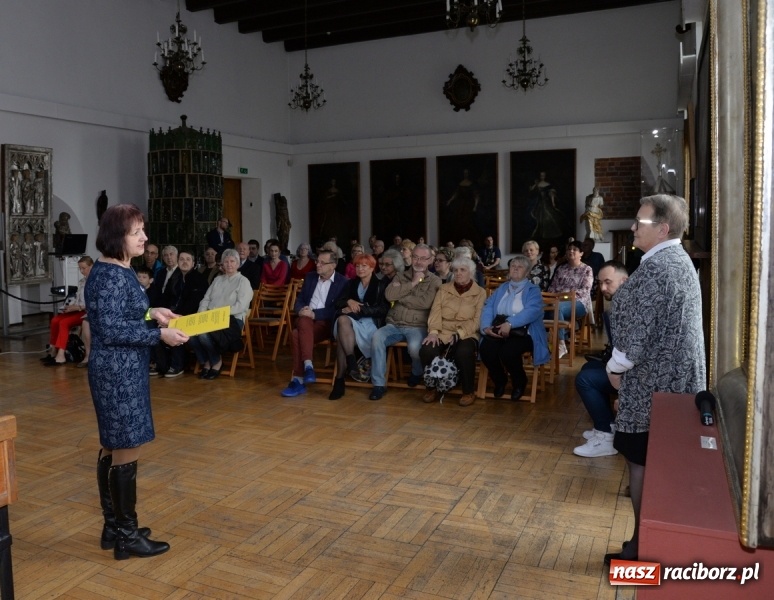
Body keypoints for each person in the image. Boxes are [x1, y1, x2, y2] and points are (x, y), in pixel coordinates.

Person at [603, 194, 705, 565]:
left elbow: (633, 341)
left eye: (639, 223)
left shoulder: (658, 270)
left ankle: (643, 548)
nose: (632, 227)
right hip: (672, 384)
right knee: (654, 465)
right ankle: (646, 544)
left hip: (654, 389)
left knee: (642, 463)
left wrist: (613, 368)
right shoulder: (678, 261)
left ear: (662, 229)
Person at [85, 204, 188, 560]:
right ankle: (126, 536)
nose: (144, 237)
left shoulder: (118, 268)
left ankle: (114, 527)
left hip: (123, 368)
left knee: (113, 446)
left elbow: (122, 314)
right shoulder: (111, 274)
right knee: (126, 445)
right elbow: (109, 329)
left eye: (143, 230)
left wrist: (152, 313)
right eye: (136, 232)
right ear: (117, 237)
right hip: (117, 372)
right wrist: (160, 335)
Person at [369, 244, 441, 401]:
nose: (419, 261)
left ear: (430, 260)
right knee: (376, 338)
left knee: (415, 349)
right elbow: (389, 295)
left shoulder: (435, 281)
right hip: (394, 324)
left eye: (423, 258)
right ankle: (379, 385)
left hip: (417, 326)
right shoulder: (401, 276)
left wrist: (401, 295)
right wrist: (413, 283)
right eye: (416, 257)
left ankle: (416, 372)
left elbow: (425, 303)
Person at [572, 261, 628, 458]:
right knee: (588, 367)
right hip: (623, 367)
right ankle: (607, 425)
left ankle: (606, 437)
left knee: (585, 379)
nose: (602, 288)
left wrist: (622, 387)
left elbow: (631, 352)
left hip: (635, 375)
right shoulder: (619, 304)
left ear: (624, 281)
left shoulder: (629, 307)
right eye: (600, 283)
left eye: (608, 282)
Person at [479, 255, 550, 400]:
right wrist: (486, 327)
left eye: (520, 267)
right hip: (499, 327)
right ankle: (500, 380)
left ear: (527, 272)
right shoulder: (502, 288)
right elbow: (488, 306)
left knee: (508, 352)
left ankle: (520, 382)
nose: (516, 269)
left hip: (524, 332)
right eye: (513, 266)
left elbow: (532, 311)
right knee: (486, 350)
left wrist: (510, 323)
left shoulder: (533, 290)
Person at [280, 250, 348, 397]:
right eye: (317, 261)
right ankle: (308, 367)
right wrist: (301, 310)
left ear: (333, 265)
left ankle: (298, 379)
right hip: (306, 319)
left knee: (295, 334)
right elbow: (300, 301)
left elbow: (337, 310)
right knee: (303, 321)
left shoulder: (343, 282)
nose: (317, 264)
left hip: (326, 324)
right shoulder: (310, 277)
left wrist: (315, 314)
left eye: (322, 262)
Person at [419, 256, 485, 406]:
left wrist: (459, 334)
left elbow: (477, 320)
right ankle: (431, 387)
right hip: (443, 331)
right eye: (455, 270)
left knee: (464, 352)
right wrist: (434, 332)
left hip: (467, 333)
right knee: (427, 350)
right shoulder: (444, 289)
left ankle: (468, 391)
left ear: (471, 272)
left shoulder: (480, 292)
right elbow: (435, 312)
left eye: (463, 270)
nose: (458, 273)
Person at [329, 253, 389, 400]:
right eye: (357, 266)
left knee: (343, 341)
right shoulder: (351, 283)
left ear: (372, 268)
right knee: (342, 320)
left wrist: (360, 308)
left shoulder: (381, 284)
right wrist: (348, 301)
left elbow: (383, 310)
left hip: (370, 323)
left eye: (364, 266)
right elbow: (337, 302)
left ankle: (340, 380)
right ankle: (351, 360)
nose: (360, 269)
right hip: (351, 322)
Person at [188, 248, 253, 380]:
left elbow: (241, 306)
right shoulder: (217, 280)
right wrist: (201, 314)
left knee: (203, 335)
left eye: (232, 261)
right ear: (222, 264)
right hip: (210, 318)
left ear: (238, 264)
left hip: (231, 320)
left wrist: (220, 314)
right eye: (226, 261)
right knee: (190, 335)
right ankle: (206, 361)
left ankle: (216, 362)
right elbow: (206, 299)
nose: (229, 264)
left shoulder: (243, 281)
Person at [154, 251, 209, 378]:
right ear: (178, 262)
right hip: (173, 314)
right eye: (182, 259)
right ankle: (162, 365)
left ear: (193, 263)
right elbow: (165, 298)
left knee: (176, 327)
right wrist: (163, 315)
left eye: (188, 259)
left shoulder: (199, 279)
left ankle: (177, 366)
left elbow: (195, 303)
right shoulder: (174, 277)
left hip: (191, 315)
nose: (184, 262)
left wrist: (174, 317)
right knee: (153, 325)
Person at [41, 256, 94, 366]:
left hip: (85, 311)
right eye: (80, 268)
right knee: (55, 320)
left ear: (91, 266)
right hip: (78, 309)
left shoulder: (95, 282)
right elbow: (78, 298)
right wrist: (70, 306)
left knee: (64, 323)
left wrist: (79, 307)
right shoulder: (82, 282)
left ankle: (61, 355)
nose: (82, 271)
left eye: (84, 268)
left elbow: (93, 302)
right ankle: (53, 350)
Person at [547, 240, 593, 358]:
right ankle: (542, 342)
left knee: (557, 309)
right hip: (558, 301)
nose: (571, 251)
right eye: (569, 249)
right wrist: (554, 296)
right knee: (540, 309)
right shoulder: (561, 269)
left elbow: (585, 290)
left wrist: (565, 295)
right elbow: (552, 288)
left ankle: (561, 344)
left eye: (575, 249)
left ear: (581, 253)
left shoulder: (586, 269)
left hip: (579, 303)